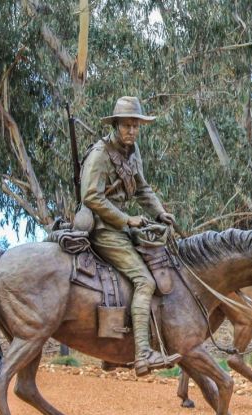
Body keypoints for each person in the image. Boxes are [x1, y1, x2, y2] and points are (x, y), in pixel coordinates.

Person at [80, 96, 181, 376]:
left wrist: (160, 212)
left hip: (123, 227)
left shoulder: (133, 151)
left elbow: (142, 189)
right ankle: (142, 354)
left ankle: (114, 350)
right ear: (115, 125)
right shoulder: (101, 154)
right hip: (103, 228)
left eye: (136, 125)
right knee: (145, 281)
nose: (132, 131)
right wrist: (126, 219)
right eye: (127, 125)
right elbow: (90, 196)